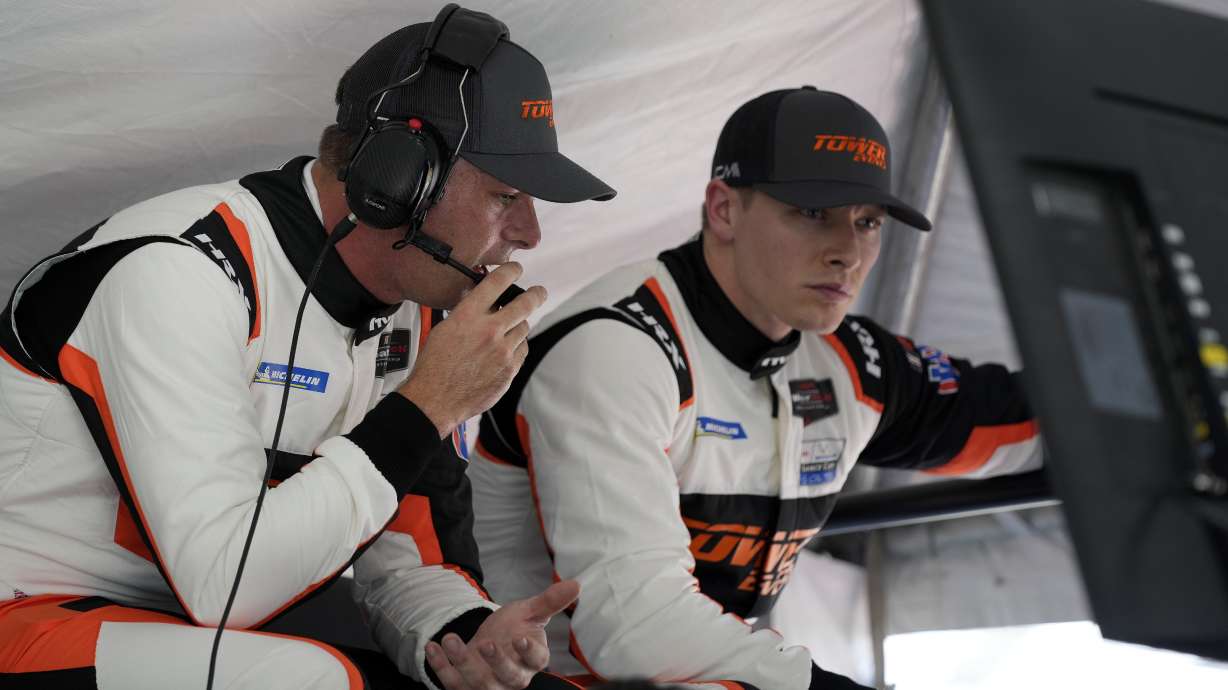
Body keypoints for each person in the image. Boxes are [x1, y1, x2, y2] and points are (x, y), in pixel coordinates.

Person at [0, 6, 614, 690]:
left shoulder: (429, 311)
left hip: (191, 638)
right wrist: (427, 405)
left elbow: (409, 561)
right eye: (507, 196)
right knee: (315, 679)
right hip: (27, 614)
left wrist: (465, 636)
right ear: (397, 177)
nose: (531, 233)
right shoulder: (179, 271)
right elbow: (225, 582)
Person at [471, 87, 1042, 689]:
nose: (847, 252)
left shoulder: (852, 360)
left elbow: (1038, 427)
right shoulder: (615, 350)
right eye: (813, 213)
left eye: (867, 222)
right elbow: (638, 633)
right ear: (723, 210)